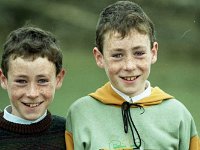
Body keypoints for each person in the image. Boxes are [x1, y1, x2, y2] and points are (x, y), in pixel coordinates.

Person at [65, 1, 200, 150]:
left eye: (139, 53)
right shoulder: (80, 114)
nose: (129, 66)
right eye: (117, 55)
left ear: (153, 52)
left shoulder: (178, 115)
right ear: (99, 57)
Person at [0, 26, 66, 149]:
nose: (32, 93)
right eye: (21, 81)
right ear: (4, 79)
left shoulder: (69, 133)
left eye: (42, 81)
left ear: (58, 79)